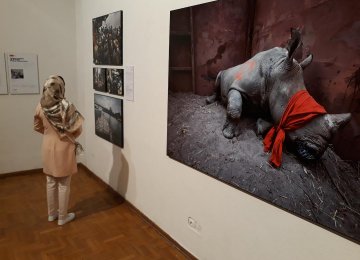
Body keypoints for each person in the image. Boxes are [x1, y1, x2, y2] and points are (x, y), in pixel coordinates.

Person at [34, 75, 84, 226]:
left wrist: (49, 135)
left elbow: (37, 126)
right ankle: (62, 217)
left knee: (50, 182)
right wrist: (66, 135)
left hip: (47, 147)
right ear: (61, 88)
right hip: (64, 148)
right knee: (63, 184)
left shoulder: (40, 105)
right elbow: (78, 129)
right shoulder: (67, 106)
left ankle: (51, 214)